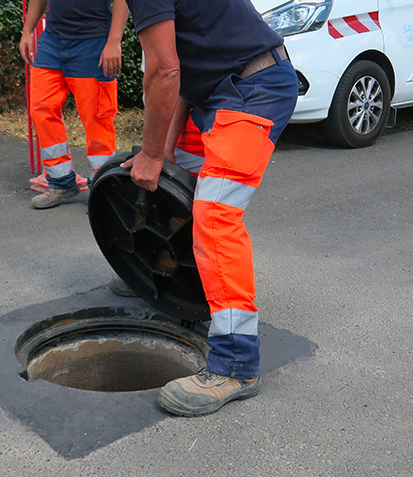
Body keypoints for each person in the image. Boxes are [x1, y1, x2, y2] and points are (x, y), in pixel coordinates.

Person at [120, 0, 298, 416]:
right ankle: (163, 267)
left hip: (252, 91)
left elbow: (164, 70)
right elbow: (182, 75)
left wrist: (149, 155)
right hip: (222, 90)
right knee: (184, 181)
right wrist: (161, 150)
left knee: (216, 214)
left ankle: (235, 365)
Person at [20, 0, 129, 209]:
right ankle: (61, 181)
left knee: (97, 117)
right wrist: (27, 31)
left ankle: (103, 189)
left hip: (94, 41)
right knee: (41, 109)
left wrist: (114, 41)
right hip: (52, 41)